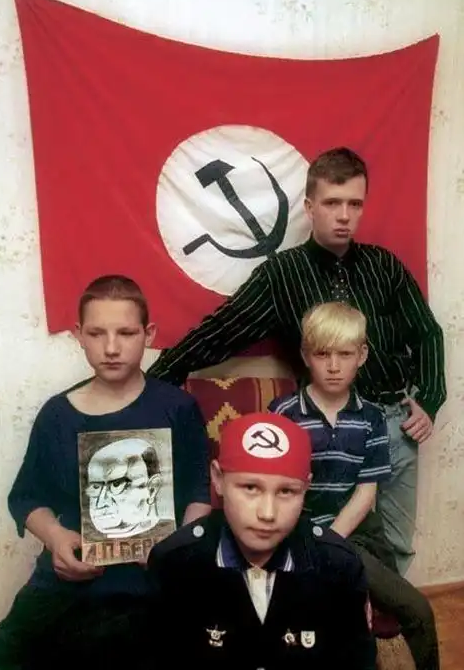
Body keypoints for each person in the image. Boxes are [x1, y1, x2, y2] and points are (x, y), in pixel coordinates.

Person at [147, 146, 446, 574]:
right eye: (332, 203)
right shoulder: (282, 275)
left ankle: (387, 615)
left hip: (396, 425)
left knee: (395, 547)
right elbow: (220, 331)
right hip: (326, 431)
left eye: (354, 204)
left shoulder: (385, 266)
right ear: (309, 207)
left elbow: (427, 332)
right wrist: (155, 380)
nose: (343, 215)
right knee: (316, 543)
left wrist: (430, 399)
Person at [0, 275, 211, 669]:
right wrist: (55, 537)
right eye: (96, 333)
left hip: (152, 579)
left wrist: (176, 550)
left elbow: (199, 490)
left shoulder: (177, 408)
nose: (111, 347)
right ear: (78, 335)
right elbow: (26, 496)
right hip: (69, 578)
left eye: (126, 332)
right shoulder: (57, 414)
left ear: (148, 334)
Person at [269, 301, 439, 670]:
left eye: (344, 354)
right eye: (322, 354)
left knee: (418, 611)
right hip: (295, 535)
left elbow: (366, 494)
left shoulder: (371, 417)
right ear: (305, 355)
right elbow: (274, 490)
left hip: (353, 536)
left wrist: (328, 543)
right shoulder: (283, 413)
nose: (333, 366)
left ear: (361, 355)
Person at [148, 411, 377, 670]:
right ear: (218, 479)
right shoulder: (175, 564)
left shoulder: (338, 566)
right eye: (250, 488)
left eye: (286, 491)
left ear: (306, 488)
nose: (267, 513)